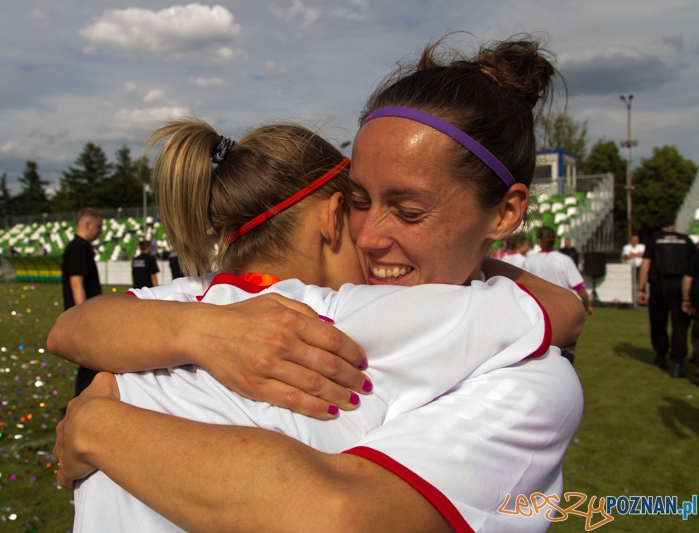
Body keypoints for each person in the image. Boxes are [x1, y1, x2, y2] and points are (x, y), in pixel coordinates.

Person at [50, 35, 585, 531]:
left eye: (410, 211)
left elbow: (340, 515)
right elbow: (73, 328)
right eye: (359, 201)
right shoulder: (255, 307)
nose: (371, 236)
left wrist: (99, 425)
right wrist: (200, 331)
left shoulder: (526, 380)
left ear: (506, 212)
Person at [523, 226, 593, 363]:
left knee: (541, 355)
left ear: (538, 240)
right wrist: (588, 304)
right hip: (563, 311)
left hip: (537, 312)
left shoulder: (530, 260)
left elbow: (523, 286)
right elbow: (578, 286)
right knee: (567, 352)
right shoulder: (564, 260)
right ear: (555, 239)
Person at [639, 210, 696, 377]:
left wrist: (640, 288)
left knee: (658, 322)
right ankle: (678, 362)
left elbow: (645, 265)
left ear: (659, 224)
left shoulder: (654, 240)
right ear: (675, 223)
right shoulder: (686, 240)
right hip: (680, 287)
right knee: (680, 325)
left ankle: (661, 354)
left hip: (659, 287)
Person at [61, 207, 104, 395]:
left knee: (92, 364)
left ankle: (82, 402)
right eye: (99, 226)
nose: (101, 230)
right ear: (87, 224)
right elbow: (77, 284)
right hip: (84, 316)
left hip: (87, 313)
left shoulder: (80, 247)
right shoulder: (78, 248)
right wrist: (83, 316)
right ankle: (80, 404)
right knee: (91, 363)